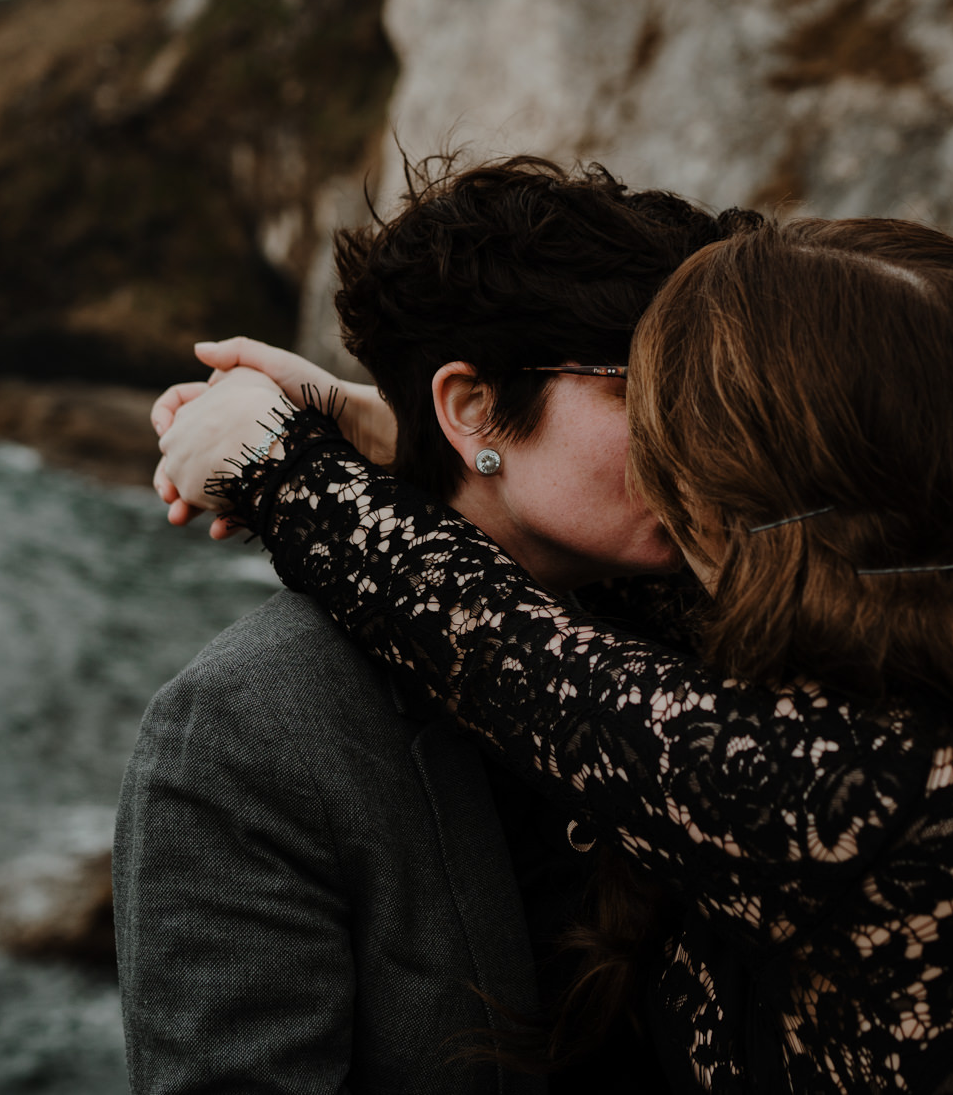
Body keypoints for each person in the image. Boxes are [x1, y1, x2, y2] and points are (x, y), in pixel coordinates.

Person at [154, 216, 953, 1093]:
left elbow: (527, 669)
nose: (676, 471)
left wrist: (285, 471)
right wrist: (421, 445)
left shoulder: (893, 806)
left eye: (692, 427)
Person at [116, 157, 752, 1094]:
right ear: (470, 406)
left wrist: (358, 431)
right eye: (641, 387)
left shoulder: (724, 633)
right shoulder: (247, 727)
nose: (697, 437)